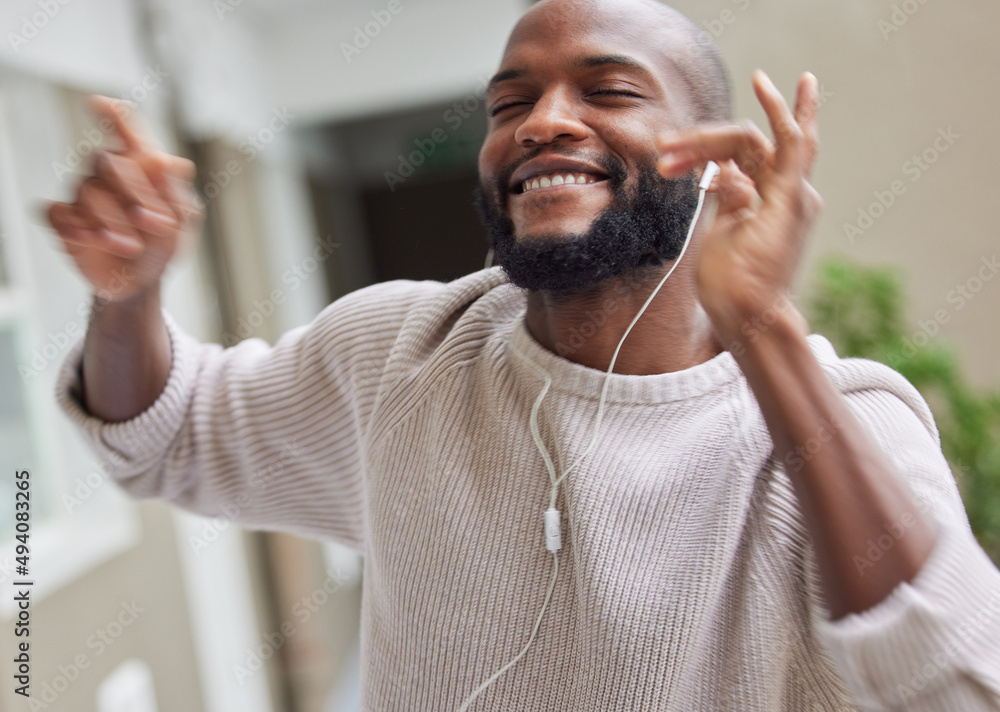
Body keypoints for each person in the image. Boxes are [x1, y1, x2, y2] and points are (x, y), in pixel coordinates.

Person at [46, 0, 1000, 709]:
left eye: (609, 90)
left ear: (710, 158)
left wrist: (763, 331)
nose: (543, 119)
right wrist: (126, 299)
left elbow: (959, 682)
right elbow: (167, 433)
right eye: (510, 102)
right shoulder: (398, 356)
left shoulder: (836, 417)